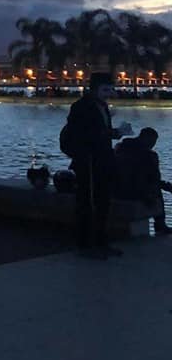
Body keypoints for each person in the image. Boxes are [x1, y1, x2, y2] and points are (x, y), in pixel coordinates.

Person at [64, 72, 133, 258]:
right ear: (94, 89)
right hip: (89, 162)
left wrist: (113, 133)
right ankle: (87, 245)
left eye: (110, 89)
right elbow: (86, 135)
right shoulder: (82, 107)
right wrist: (112, 132)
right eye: (105, 89)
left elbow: (100, 133)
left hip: (102, 160)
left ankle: (101, 242)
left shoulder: (101, 106)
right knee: (89, 203)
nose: (108, 93)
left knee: (103, 203)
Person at [114, 127, 172, 235]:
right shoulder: (149, 156)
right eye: (153, 142)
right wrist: (167, 187)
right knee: (157, 191)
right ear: (147, 139)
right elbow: (152, 179)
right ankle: (160, 224)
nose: (153, 145)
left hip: (116, 190)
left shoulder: (120, 148)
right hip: (135, 191)